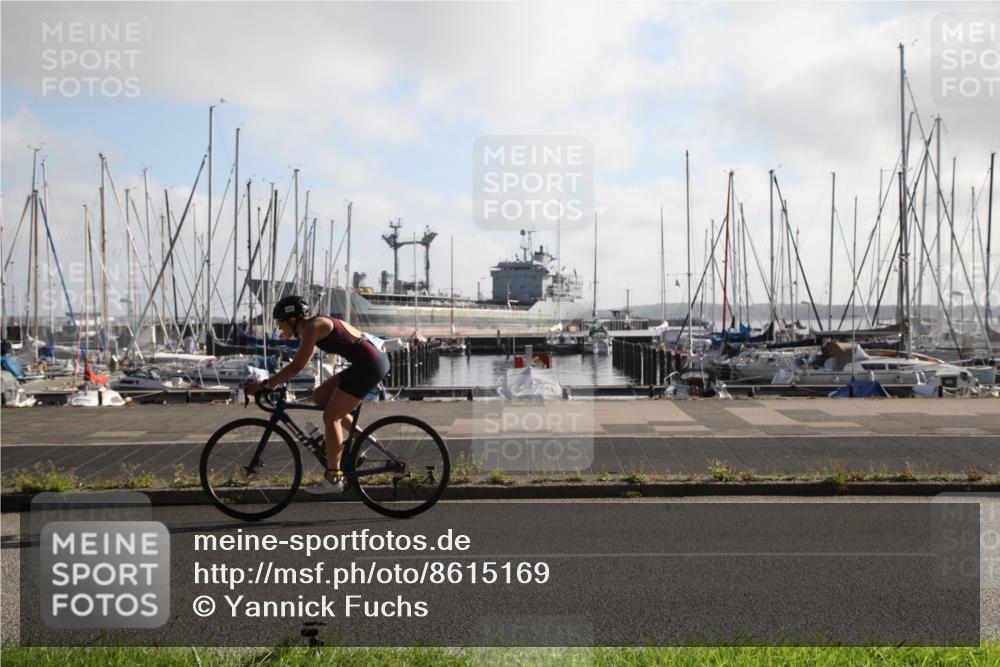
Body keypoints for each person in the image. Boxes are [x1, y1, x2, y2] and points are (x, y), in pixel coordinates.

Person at [244, 295, 390, 494]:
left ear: (293, 319)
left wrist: (266, 384)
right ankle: (359, 437)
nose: (279, 328)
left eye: (280, 324)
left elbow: (298, 365)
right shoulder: (312, 327)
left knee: (330, 417)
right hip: (368, 361)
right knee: (320, 396)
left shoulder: (313, 328)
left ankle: (333, 479)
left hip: (369, 365)